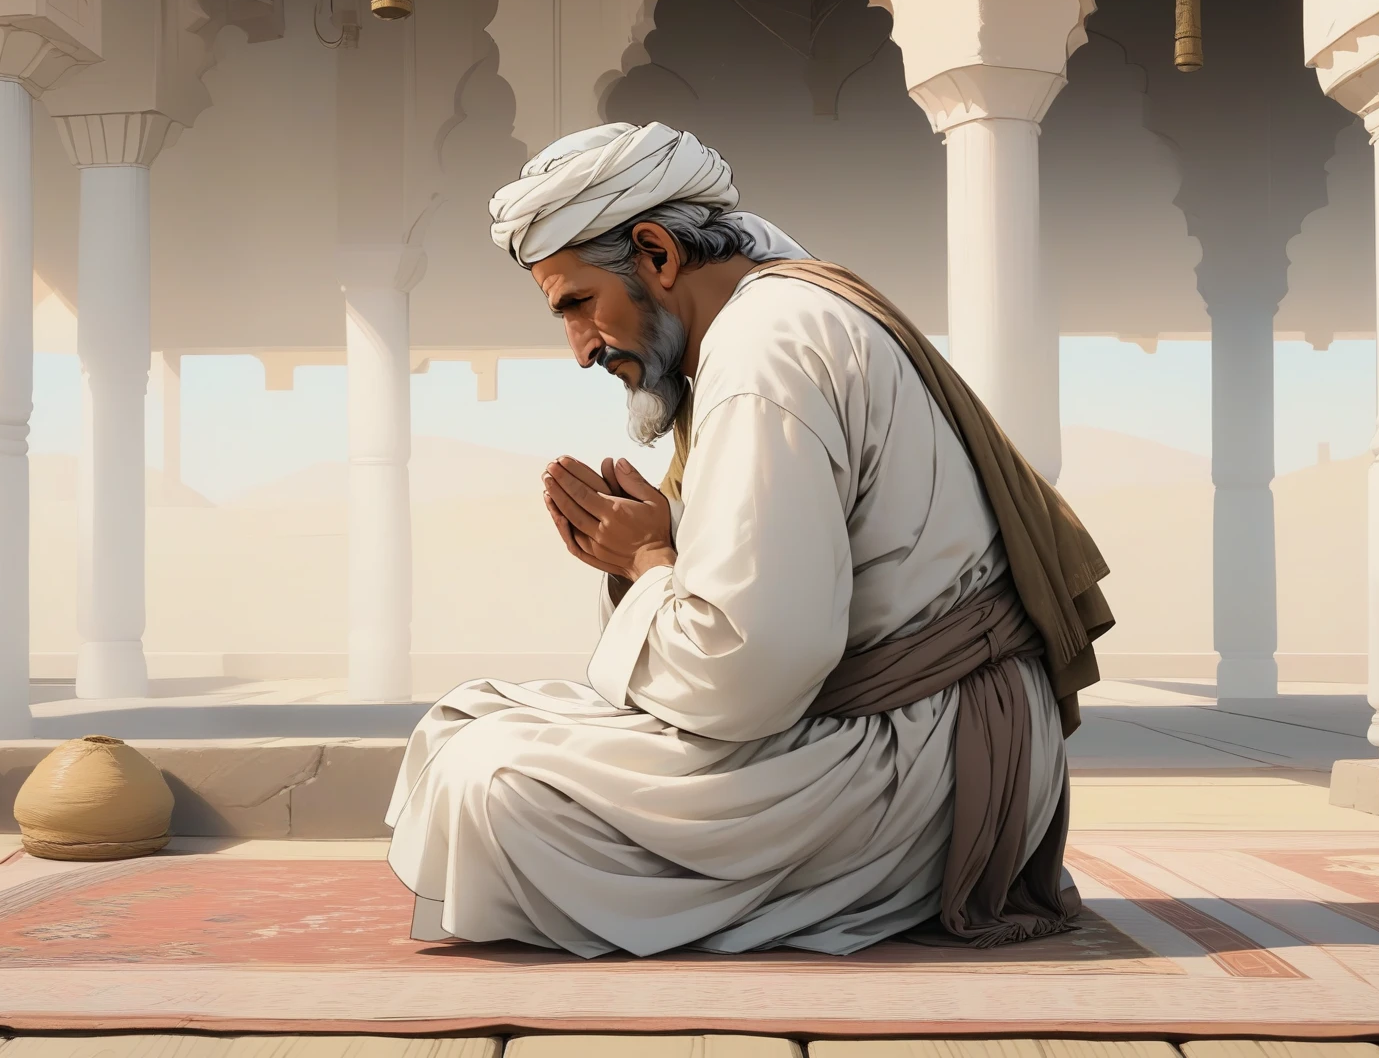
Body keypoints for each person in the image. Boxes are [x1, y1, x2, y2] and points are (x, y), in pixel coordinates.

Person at [384, 122, 1113, 958]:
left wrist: (647, 562)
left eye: (578, 304)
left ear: (656, 253)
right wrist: (658, 547)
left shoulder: (763, 356)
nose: (581, 349)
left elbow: (748, 675)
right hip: (913, 728)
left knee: (490, 786)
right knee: (467, 726)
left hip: (923, 769)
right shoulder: (771, 318)